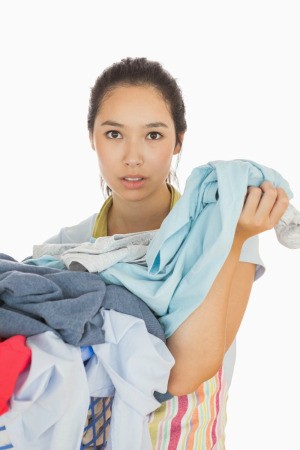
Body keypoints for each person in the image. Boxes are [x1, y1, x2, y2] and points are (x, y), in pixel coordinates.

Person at [44, 57, 289, 449]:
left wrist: (236, 238)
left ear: (179, 141)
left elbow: (185, 374)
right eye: (114, 134)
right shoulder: (71, 248)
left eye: (153, 135)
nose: (132, 156)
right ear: (91, 137)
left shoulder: (224, 231)